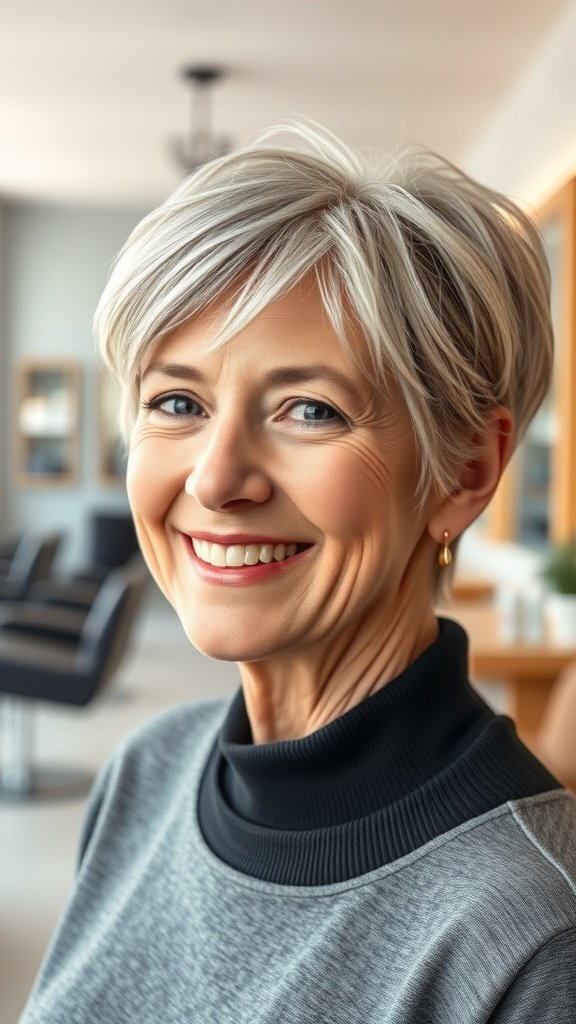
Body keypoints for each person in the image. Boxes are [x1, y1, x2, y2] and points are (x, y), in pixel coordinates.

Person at [20, 123, 576, 1024]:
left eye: (309, 409)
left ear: (465, 471)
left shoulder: (534, 934)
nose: (215, 478)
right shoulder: (147, 774)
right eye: (177, 402)